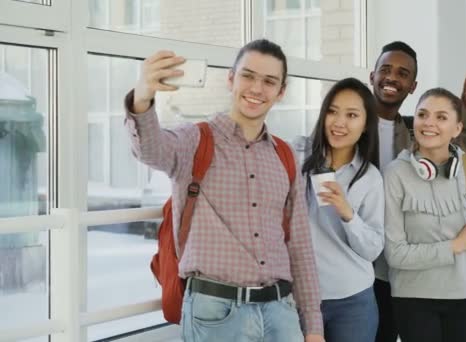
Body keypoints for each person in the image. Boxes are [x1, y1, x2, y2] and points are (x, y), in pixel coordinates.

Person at [124, 39, 324, 342]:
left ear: (281, 92)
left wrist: (312, 326)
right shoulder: (195, 140)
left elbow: (299, 245)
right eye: (248, 76)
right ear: (231, 79)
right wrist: (143, 96)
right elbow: (150, 150)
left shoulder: (283, 155)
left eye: (269, 81)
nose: (257, 88)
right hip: (216, 314)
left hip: (281, 312)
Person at [369, 41, 466, 342]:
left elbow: (454, 162)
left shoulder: (413, 128)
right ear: (372, 76)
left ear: (412, 85)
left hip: (398, 270)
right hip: (357, 265)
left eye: (402, 73)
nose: (392, 78)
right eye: (385, 70)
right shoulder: (351, 123)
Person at [383, 88, 466, 341]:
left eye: (441, 117)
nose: (429, 122)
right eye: (422, 114)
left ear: (457, 128)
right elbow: (395, 255)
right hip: (413, 299)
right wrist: (455, 246)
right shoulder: (394, 174)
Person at [293, 78, 383, 342]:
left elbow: (373, 248)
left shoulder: (370, 178)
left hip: (353, 301)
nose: (339, 122)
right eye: (332, 111)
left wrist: (348, 213)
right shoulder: (297, 154)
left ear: (366, 125)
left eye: (352, 115)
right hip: (298, 296)